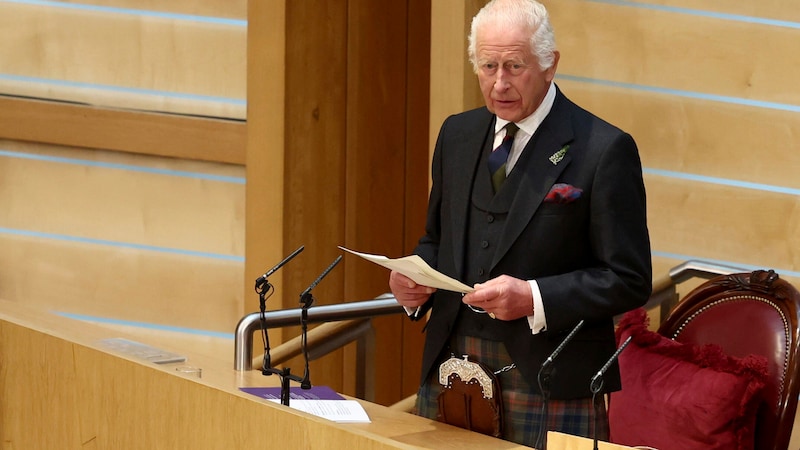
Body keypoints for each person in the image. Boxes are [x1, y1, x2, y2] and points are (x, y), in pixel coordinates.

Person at [388, 0, 652, 446]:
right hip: (450, 366)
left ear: (550, 65)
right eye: (488, 65)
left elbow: (628, 279)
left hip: (550, 379)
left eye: (515, 66)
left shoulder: (604, 150)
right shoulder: (456, 134)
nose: (500, 83)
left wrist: (533, 297)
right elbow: (437, 240)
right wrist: (412, 282)